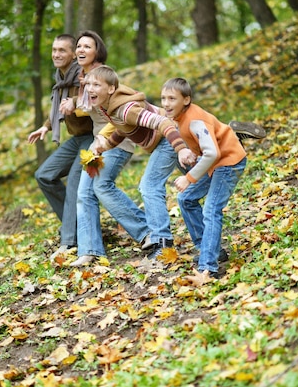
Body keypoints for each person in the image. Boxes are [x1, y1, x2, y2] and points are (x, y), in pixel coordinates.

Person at [71, 65, 197, 264]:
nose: (90, 89)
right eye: (88, 85)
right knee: (201, 177)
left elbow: (164, 123)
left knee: (149, 186)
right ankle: (224, 148)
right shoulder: (110, 107)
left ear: (111, 89)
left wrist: (181, 148)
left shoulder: (127, 108)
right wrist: (105, 146)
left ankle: (161, 244)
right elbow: (123, 130)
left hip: (170, 137)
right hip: (167, 139)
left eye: (96, 85)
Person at [59, 36, 151, 267]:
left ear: (97, 51)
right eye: (78, 46)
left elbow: (133, 97)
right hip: (99, 144)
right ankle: (90, 250)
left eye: (87, 46)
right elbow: (90, 109)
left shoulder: (104, 75)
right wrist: (72, 104)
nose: (81, 49)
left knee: (101, 186)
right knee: (85, 194)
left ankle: (148, 231)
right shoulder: (86, 80)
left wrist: (104, 135)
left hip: (115, 141)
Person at [161, 77, 247, 281]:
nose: (166, 103)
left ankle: (208, 268)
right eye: (163, 98)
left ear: (186, 100)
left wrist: (189, 178)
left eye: (172, 98)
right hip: (215, 164)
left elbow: (213, 153)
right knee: (186, 200)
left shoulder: (195, 120)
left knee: (211, 209)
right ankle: (210, 250)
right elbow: (205, 149)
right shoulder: (180, 117)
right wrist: (193, 153)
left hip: (229, 162)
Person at [27, 34, 94, 260]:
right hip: (76, 138)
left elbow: (89, 103)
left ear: (73, 53)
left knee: (75, 181)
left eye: (62, 50)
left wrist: (74, 106)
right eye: (54, 50)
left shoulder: (81, 76)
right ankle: (73, 223)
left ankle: (69, 241)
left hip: (93, 136)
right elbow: (58, 106)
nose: (56, 54)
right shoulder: (60, 77)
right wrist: (46, 126)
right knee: (44, 175)